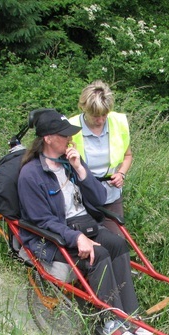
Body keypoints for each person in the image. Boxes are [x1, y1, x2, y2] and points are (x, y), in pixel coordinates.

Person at [17, 109, 152, 335]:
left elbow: (100, 197)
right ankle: (108, 321)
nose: (70, 139)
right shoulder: (31, 174)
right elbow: (41, 221)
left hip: (83, 225)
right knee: (97, 255)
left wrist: (80, 169)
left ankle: (129, 315)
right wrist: (76, 237)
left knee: (118, 244)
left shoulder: (69, 163)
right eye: (64, 135)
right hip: (52, 236)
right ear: (48, 138)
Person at [69, 81, 132, 236]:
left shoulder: (118, 123)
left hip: (110, 194)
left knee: (117, 242)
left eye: (104, 115)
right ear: (83, 108)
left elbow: (128, 155)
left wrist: (121, 174)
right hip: (81, 196)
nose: (101, 120)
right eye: (95, 116)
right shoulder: (71, 126)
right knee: (89, 244)